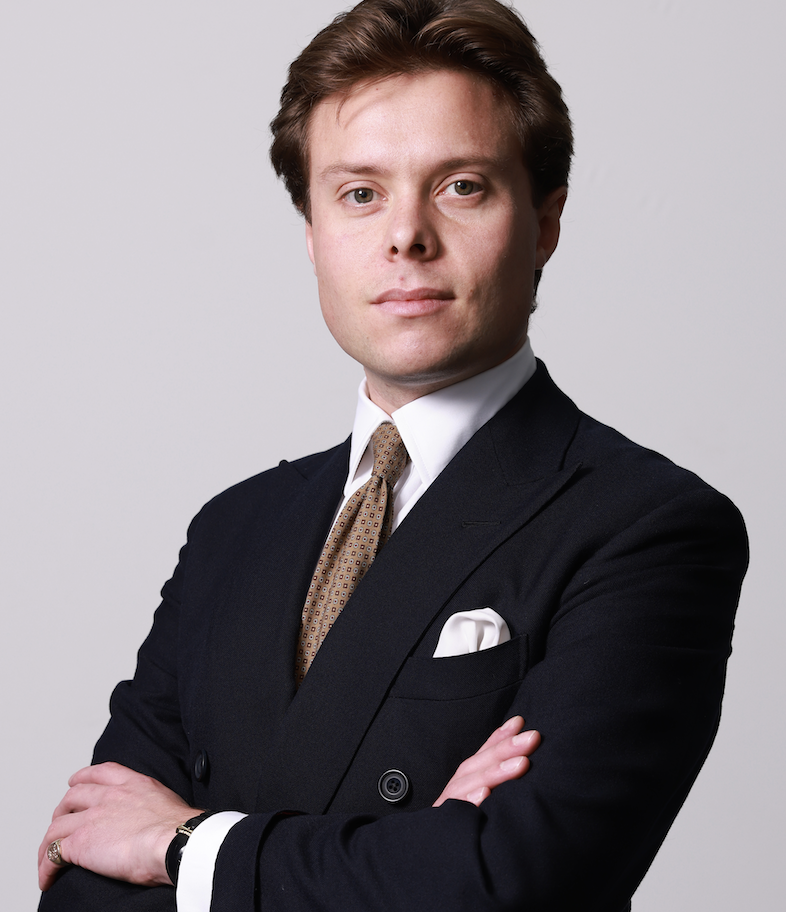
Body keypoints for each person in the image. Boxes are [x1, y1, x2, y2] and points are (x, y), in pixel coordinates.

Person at [37, 1, 748, 910]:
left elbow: (510, 881)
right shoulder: (233, 528)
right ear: (312, 234)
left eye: (462, 186)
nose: (405, 236)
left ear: (545, 224)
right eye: (360, 193)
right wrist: (412, 850)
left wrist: (181, 844)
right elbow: (83, 875)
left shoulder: (645, 525)